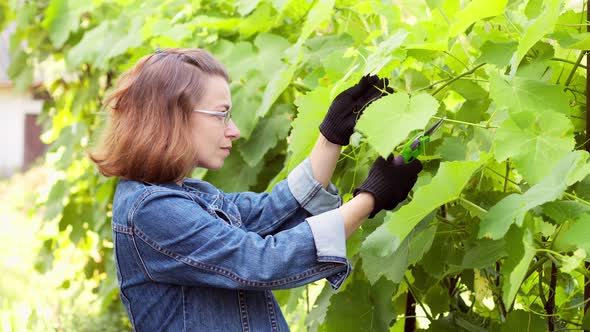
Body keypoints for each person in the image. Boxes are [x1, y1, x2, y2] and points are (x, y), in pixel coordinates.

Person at [89, 48, 422, 331]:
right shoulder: (151, 210)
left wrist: (330, 137)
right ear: (171, 117)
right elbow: (260, 260)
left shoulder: (189, 194)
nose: (234, 130)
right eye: (221, 115)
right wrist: (369, 198)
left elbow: (267, 212)